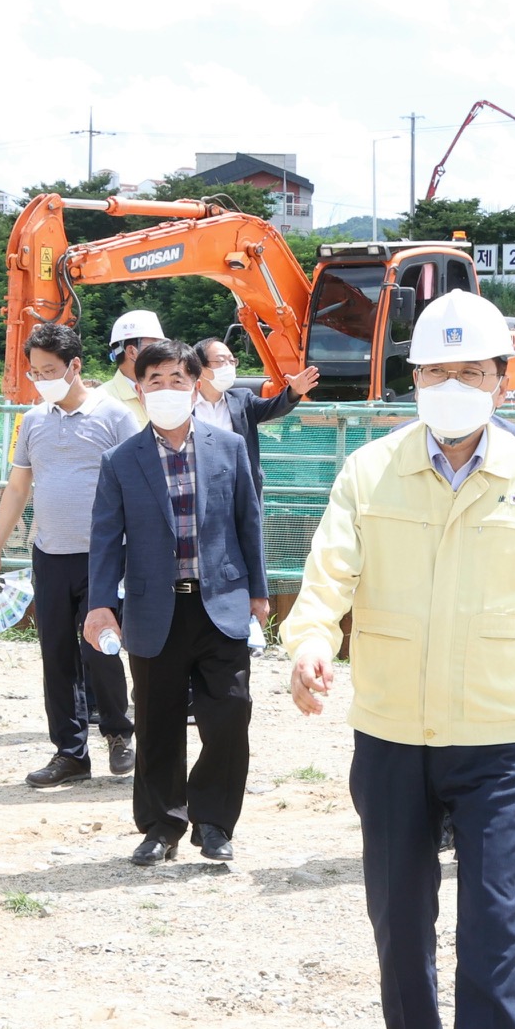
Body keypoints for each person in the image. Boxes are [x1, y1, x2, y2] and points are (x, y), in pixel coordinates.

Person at [283, 289, 515, 1029]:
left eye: (469, 370)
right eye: (433, 370)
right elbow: (327, 573)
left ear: (502, 377)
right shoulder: (368, 471)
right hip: (390, 730)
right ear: (409, 378)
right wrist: (308, 645)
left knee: (492, 922)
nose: (450, 384)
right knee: (398, 915)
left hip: (499, 731)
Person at [84, 339, 268, 865]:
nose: (167, 389)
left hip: (221, 603)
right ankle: (162, 825)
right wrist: (101, 604)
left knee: (229, 714)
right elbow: (105, 538)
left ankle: (213, 822)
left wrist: (257, 592)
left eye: (178, 380)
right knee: (159, 720)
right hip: (152, 608)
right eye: (156, 381)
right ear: (139, 390)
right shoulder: (120, 460)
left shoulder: (228, 447)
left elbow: (247, 523)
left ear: (196, 386)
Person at [0, 321, 139, 787]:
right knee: (56, 654)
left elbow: (137, 485)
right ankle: (69, 752)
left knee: (102, 647)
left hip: (104, 554)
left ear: (75, 366)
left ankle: (118, 733)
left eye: (49, 369)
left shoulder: (114, 417)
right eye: (34, 371)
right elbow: (16, 488)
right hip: (48, 553)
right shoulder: (31, 421)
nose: (41, 378)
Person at [192, 337, 319, 487]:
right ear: (200, 367)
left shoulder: (242, 400)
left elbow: (274, 407)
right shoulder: (185, 406)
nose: (228, 366)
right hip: (198, 484)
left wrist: (294, 391)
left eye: (232, 361)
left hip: (239, 486)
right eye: (221, 361)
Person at [97, 309, 164, 428]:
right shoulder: (101, 400)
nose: (162, 353)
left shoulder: (167, 391)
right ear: (132, 352)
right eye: (155, 347)